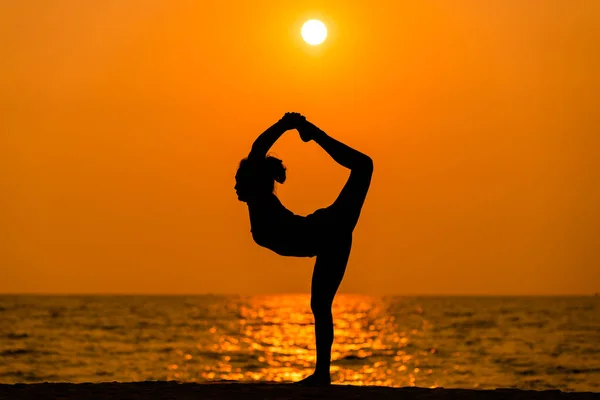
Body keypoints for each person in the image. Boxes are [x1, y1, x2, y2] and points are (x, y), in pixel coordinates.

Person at [234, 112, 373, 385]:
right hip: (328, 238)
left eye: (239, 180)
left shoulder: (260, 197)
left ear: (252, 180)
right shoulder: (257, 203)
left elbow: (258, 147)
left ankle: (315, 135)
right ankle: (322, 374)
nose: (234, 185)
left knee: (364, 165)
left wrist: (286, 124)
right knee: (320, 305)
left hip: (327, 229)